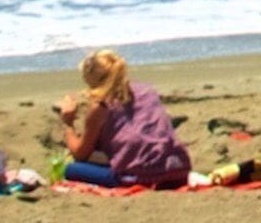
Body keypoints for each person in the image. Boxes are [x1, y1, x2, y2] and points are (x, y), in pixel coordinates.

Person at [52, 49, 189, 189]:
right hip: (179, 170)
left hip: (142, 177)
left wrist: (68, 123)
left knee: (70, 169)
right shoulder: (147, 91)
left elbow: (81, 154)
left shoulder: (102, 106)